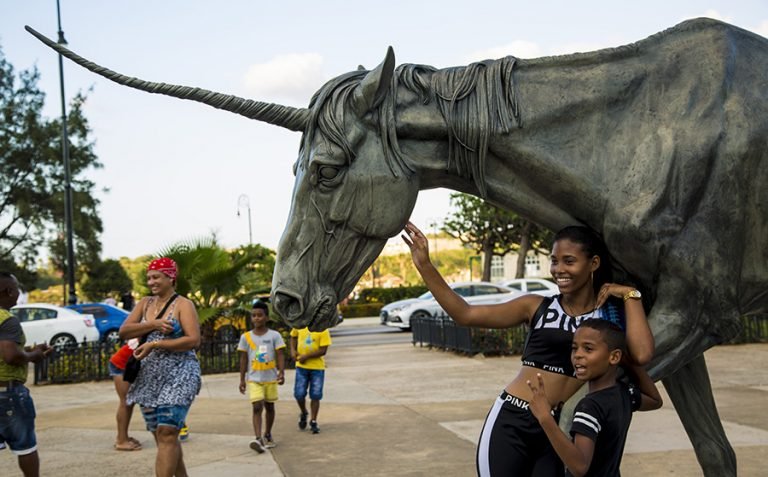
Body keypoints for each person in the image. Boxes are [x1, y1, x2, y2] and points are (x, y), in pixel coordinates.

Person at [402, 222, 655, 477]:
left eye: (569, 261)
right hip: (512, 418)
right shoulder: (536, 306)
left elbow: (642, 354)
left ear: (594, 263)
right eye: (554, 261)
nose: (559, 270)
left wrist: (630, 294)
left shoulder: (607, 316)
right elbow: (465, 314)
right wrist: (425, 265)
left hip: (552, 427)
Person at [527, 319, 663, 476]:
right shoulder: (623, 393)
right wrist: (630, 363)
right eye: (574, 348)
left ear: (614, 357)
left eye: (588, 349)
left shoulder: (589, 407)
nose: (578, 355)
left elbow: (580, 466)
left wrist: (545, 419)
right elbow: (655, 400)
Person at [119, 258, 201, 477]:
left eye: (156, 277)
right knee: (164, 436)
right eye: (149, 278)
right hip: (148, 378)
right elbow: (124, 331)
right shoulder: (144, 303)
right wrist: (153, 324)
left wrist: (156, 343)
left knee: (167, 432)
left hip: (180, 374)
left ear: (170, 277)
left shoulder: (183, 304)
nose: (151, 282)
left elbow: (193, 340)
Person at [0, 272, 52, 477]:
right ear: (8, 291)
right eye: (17, 289)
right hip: (8, 394)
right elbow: (10, 356)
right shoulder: (7, 320)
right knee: (26, 446)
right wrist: (34, 355)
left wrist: (28, 350)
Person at [238, 301, 286, 452]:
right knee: (257, 406)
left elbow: (280, 354)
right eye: (254, 316)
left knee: (270, 407)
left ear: (266, 317)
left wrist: (281, 371)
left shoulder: (274, 336)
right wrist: (242, 379)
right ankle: (258, 438)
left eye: (260, 315)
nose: (256, 318)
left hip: (270, 378)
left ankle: (268, 433)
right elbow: (243, 359)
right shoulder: (246, 337)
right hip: (254, 379)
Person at [290, 326, 332, 434]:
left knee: (316, 394)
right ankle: (304, 412)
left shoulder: (323, 329)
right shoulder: (300, 325)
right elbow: (293, 336)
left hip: (317, 368)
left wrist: (307, 356)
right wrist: (293, 350)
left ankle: (313, 420)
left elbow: (323, 350)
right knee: (299, 394)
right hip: (301, 367)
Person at [108, 340, 142, 451]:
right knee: (126, 402)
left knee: (129, 402)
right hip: (121, 365)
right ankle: (121, 440)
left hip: (129, 364)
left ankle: (123, 437)